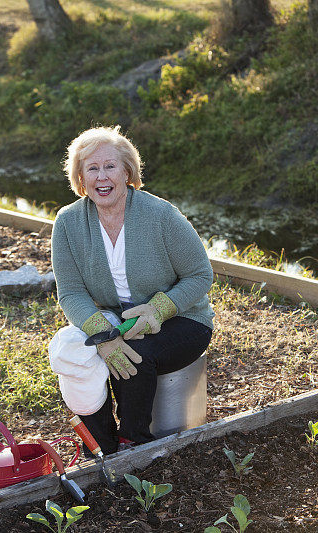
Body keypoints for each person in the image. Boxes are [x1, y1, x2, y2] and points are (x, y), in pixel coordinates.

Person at [51, 126, 214, 454]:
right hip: (117, 318)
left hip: (182, 319)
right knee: (74, 349)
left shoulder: (161, 215)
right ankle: (100, 446)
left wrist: (159, 309)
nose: (102, 176)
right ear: (80, 178)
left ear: (127, 171)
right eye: (92, 168)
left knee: (136, 354)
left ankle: (134, 443)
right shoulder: (68, 222)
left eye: (110, 166)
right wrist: (104, 334)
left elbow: (200, 276)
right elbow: (70, 293)